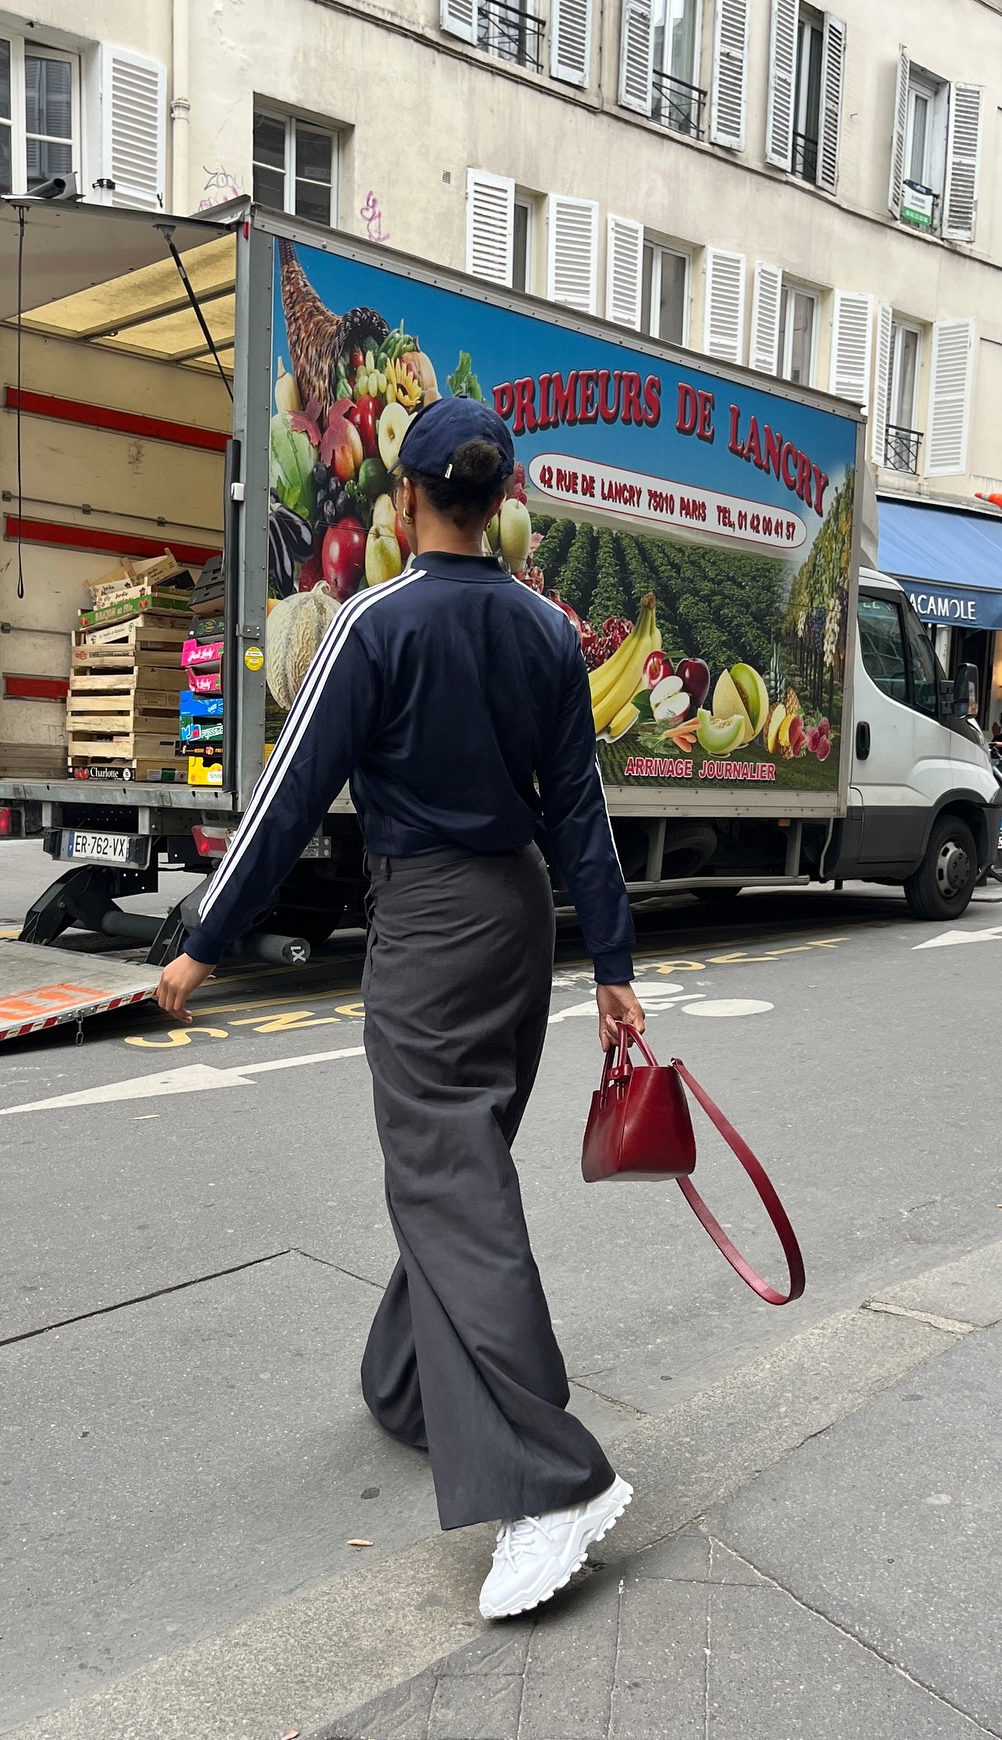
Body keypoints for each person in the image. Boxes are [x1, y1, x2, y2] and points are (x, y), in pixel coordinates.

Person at [156, 396, 643, 1620]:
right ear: (501, 503)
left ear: (406, 502)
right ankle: (411, 1385)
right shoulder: (546, 630)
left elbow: (289, 796)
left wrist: (203, 948)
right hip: (521, 919)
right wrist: (620, 974)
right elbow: (581, 812)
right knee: (456, 1163)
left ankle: (552, 1484)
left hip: (426, 926)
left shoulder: (373, 621)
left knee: (448, 1177)